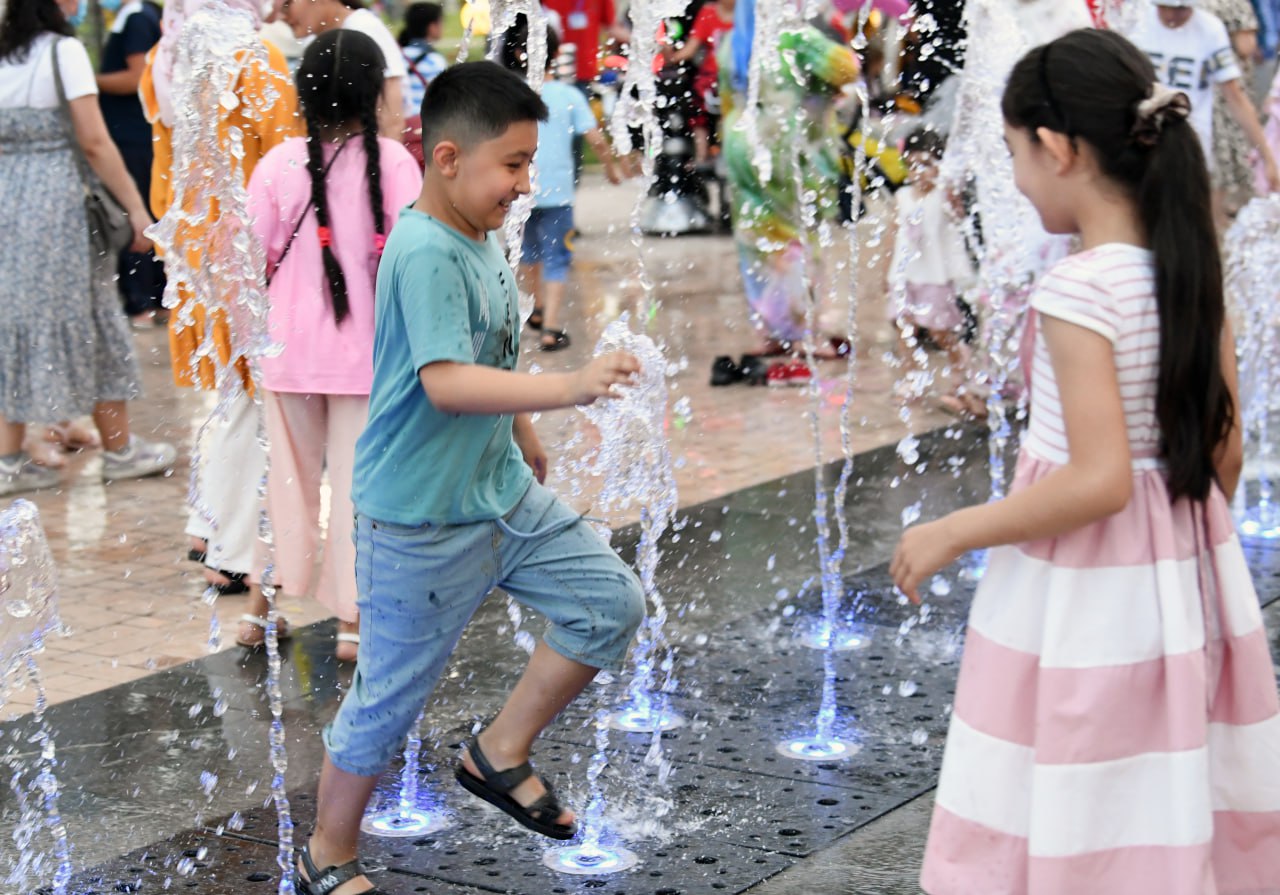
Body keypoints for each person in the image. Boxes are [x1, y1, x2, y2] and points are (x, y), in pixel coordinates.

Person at [892, 29, 1280, 893]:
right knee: (1160, 775)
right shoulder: (1186, 265)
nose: (1016, 178)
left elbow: (1098, 478)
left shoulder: (1080, 289)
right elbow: (1228, 446)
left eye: (1015, 154)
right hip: (1183, 576)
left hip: (1081, 592)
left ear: (1059, 150)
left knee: (1072, 769)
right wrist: (1179, 550)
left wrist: (953, 529)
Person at [292, 61, 645, 895]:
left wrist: (520, 426)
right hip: (418, 519)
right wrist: (565, 389)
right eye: (514, 165)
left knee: (608, 604)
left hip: (502, 497)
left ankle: (499, 750)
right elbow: (445, 380)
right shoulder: (422, 249)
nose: (526, 184)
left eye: (531, 164)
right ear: (447, 158)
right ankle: (326, 855)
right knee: (385, 705)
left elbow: (493, 344)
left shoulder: (481, 236)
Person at [247, 30, 422, 662]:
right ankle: (352, 622)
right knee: (359, 488)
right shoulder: (397, 164)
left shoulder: (277, 164)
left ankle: (261, 608)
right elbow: (410, 258)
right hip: (368, 360)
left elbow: (252, 255)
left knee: (283, 481)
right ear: (375, 92)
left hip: (288, 353)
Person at [142, 0, 301, 639]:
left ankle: (207, 529)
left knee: (226, 397)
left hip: (195, 249)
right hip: (247, 250)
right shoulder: (254, 55)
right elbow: (285, 160)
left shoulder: (166, 52)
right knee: (247, 404)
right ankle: (234, 554)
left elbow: (163, 163)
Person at [0, 0, 177, 498]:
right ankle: (119, 449)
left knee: (13, 322)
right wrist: (138, 211)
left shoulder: (4, 57)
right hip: (59, 205)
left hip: (8, 202)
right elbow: (95, 141)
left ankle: (9, 460)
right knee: (95, 315)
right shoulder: (64, 53)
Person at [719, 0, 859, 362]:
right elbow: (847, 69)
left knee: (757, 238)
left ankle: (769, 330)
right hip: (789, 150)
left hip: (742, 147)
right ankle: (803, 333)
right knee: (800, 241)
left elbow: (725, 102)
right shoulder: (796, 38)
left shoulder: (731, 42)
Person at [502, 20, 620, 351]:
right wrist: (610, 168)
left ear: (517, 53)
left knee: (527, 253)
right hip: (558, 195)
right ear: (556, 54)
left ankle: (536, 309)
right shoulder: (568, 95)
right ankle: (552, 327)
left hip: (519, 192)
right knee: (557, 258)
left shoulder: (512, 97)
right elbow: (595, 139)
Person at [1127, 0, 1280, 211]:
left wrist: (1267, 156)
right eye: (1165, 7)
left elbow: (1236, 97)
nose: (1171, 15)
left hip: (1190, 145)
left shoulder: (1209, 30)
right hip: (1142, 145)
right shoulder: (1138, 24)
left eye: (1180, 10)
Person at [888, 129, 980, 418]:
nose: (919, 172)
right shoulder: (902, 197)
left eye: (926, 164)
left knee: (940, 332)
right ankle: (913, 378)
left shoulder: (943, 196)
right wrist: (886, 272)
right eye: (912, 164)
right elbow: (893, 235)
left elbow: (959, 224)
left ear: (939, 166)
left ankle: (960, 369)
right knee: (904, 328)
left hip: (935, 275)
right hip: (905, 275)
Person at [96, 0, 165, 328]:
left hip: (132, 139)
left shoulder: (137, 18)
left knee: (134, 220)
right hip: (135, 137)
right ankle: (153, 300)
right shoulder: (136, 16)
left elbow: (138, 77)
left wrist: (89, 82)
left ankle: (142, 304)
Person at [275, 0, 407, 144]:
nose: (282, 15)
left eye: (287, 4)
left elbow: (392, 120)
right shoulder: (314, 41)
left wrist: (384, 163)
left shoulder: (364, 30)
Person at [1204, 0, 1263, 214]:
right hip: (1227, 90)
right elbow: (1245, 46)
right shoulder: (1234, 3)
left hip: (1201, 89)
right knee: (1224, 158)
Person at [661, 0, 734, 166]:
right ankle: (701, 155)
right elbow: (691, 47)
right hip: (711, 75)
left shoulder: (745, 15)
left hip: (734, 74)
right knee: (698, 101)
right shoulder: (708, 12)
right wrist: (671, 57)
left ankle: (729, 151)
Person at [398, 1, 446, 122]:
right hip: (425, 123)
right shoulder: (435, 60)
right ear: (432, 26)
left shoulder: (398, 55)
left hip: (402, 121)